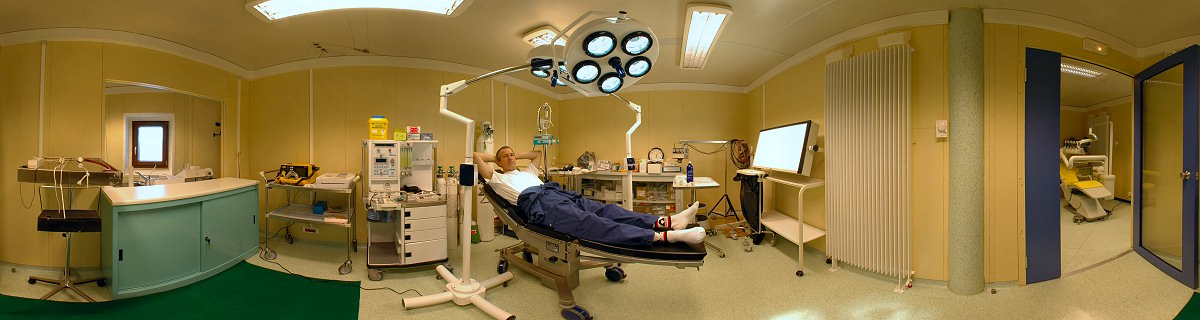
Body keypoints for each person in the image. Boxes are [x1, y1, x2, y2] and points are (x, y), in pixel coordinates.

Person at [475, 146, 706, 247]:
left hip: (553, 193)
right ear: (497, 162)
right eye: (505, 156)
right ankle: (663, 238)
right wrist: (495, 158)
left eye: (512, 154)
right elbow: (475, 155)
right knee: (592, 223)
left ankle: (668, 222)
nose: (511, 157)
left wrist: (512, 153)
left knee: (606, 210)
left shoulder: (528, 171)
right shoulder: (497, 179)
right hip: (540, 205)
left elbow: (535, 154)